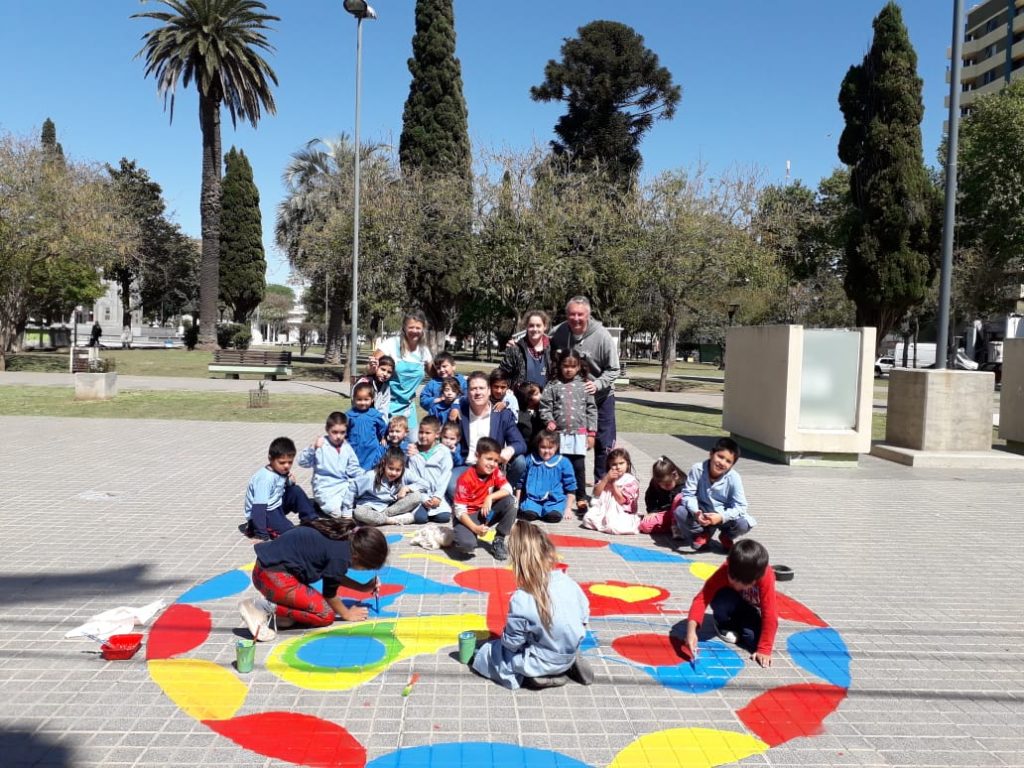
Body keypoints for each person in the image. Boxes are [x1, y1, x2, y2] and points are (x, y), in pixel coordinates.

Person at [471, 521, 593, 689]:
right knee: (551, 636)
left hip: (539, 660)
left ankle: (536, 675)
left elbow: (512, 643)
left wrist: (499, 642)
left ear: (517, 561)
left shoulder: (522, 598)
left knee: (489, 653)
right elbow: (584, 618)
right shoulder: (568, 582)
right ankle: (567, 662)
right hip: (567, 651)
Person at [238, 518, 388, 641]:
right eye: (366, 568)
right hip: (272, 576)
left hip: (266, 572)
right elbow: (330, 594)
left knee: (289, 620)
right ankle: (262, 607)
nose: (364, 571)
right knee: (325, 615)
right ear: (358, 557)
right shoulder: (340, 556)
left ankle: (278, 613)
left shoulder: (345, 539)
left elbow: (334, 575)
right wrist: (347, 614)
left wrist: (362, 587)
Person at [548, 297, 620, 484]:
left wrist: (598, 384)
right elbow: (541, 344)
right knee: (567, 443)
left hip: (601, 398)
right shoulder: (559, 332)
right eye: (572, 314)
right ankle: (568, 486)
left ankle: (602, 487)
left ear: (588, 315)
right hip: (571, 400)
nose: (576, 318)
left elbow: (614, 369)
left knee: (603, 444)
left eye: (580, 314)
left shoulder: (602, 336)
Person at [684, 539, 777, 668]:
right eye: (731, 578)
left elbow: (770, 614)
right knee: (722, 600)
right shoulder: (727, 569)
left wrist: (764, 649)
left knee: (752, 640)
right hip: (730, 600)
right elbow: (702, 598)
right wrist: (691, 631)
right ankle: (723, 623)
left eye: (738, 583)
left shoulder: (766, 577)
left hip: (749, 610)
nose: (733, 582)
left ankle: (738, 625)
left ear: (753, 581)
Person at [446, 371, 527, 499]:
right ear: (468, 392)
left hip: (493, 467)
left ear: (489, 391)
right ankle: (480, 496)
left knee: (520, 461)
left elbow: (521, 444)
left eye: (481, 388)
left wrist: (509, 450)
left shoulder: (503, 415)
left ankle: (501, 495)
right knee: (452, 488)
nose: (478, 392)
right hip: (468, 466)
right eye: (473, 389)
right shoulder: (459, 414)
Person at [540, 348, 597, 516]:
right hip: (559, 435)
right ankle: (559, 495)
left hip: (579, 435)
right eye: (566, 365)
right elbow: (545, 405)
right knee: (560, 465)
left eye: (573, 366)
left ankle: (580, 498)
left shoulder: (585, 386)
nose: (569, 369)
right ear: (560, 365)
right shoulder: (553, 385)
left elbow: (592, 410)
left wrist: (591, 433)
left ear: (579, 367)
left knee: (578, 466)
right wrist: (549, 420)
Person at [676, 437, 754, 552]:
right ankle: (702, 533)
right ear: (711, 454)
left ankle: (726, 536)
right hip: (702, 512)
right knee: (681, 512)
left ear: (732, 465)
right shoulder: (697, 469)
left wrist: (721, 517)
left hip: (724, 515)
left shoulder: (734, 477)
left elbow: (741, 506)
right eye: (720, 457)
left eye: (728, 461)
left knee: (743, 523)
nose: (722, 463)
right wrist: (696, 512)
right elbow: (688, 494)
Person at [451, 437, 516, 560]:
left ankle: (499, 539)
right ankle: (466, 532)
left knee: (512, 502)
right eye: (489, 459)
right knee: (467, 546)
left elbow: (508, 488)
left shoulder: (495, 472)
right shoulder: (465, 478)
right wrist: (475, 528)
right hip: (467, 516)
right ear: (477, 456)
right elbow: (459, 511)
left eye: (496, 460)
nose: (492, 464)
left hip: (484, 512)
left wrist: (490, 497)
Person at [241, 437, 317, 540]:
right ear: (270, 458)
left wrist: (290, 481)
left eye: (290, 462)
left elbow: (281, 487)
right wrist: (261, 535)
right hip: (264, 513)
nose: (286, 466)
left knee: (295, 490)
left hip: (276, 505)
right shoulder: (265, 479)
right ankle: (255, 527)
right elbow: (258, 508)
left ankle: (311, 520)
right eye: (282, 462)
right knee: (290, 533)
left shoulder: (280, 471)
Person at [373, 310, 433, 432]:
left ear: (423, 329)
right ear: (404, 327)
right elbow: (372, 367)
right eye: (411, 327)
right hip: (386, 405)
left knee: (412, 445)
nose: (414, 331)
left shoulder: (424, 351)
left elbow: (435, 374)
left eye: (418, 328)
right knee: (385, 443)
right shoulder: (391, 344)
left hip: (407, 408)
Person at [298, 412, 363, 519]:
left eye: (342, 432)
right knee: (337, 514)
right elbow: (303, 462)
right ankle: (319, 505)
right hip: (325, 487)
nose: (338, 436)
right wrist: (313, 448)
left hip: (343, 485)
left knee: (355, 507)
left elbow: (354, 468)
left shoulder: (346, 446)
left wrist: (367, 477)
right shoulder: (321, 445)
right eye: (335, 432)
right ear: (327, 429)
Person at [350, 447, 424, 526]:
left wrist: (407, 488)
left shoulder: (406, 473)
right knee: (359, 512)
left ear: (402, 469)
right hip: (371, 506)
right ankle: (389, 520)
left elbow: (425, 484)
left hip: (390, 508)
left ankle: (379, 519)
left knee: (417, 496)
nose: (394, 473)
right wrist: (346, 513)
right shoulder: (370, 476)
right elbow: (352, 489)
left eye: (398, 470)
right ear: (384, 464)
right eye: (390, 468)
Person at [517, 430, 577, 523]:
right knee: (528, 515)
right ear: (538, 446)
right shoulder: (530, 459)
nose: (546, 451)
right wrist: (517, 502)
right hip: (532, 499)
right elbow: (520, 483)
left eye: (550, 448)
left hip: (554, 500)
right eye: (543, 447)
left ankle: (550, 511)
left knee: (553, 517)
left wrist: (568, 508)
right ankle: (534, 510)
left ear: (556, 447)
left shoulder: (563, 462)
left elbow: (571, 487)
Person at [581, 448, 641, 535]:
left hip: (622, 512)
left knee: (613, 527)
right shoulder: (606, 477)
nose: (618, 467)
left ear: (627, 464)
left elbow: (622, 500)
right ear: (609, 465)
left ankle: (634, 521)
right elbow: (596, 493)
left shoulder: (630, 481)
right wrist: (605, 480)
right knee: (587, 520)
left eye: (621, 463)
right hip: (604, 510)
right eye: (614, 464)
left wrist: (613, 484)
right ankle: (604, 523)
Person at [406, 416, 454, 524]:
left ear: (437, 434)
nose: (423, 436)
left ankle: (440, 505)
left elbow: (445, 475)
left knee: (444, 517)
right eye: (421, 432)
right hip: (421, 495)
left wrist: (437, 496)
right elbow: (413, 478)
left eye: (427, 433)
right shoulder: (414, 452)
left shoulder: (443, 451)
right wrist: (423, 498)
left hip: (437, 494)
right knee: (420, 519)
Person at [500, 310, 553, 389]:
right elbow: (502, 374)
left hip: (545, 399)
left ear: (545, 327)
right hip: (520, 399)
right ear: (526, 327)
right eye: (531, 325)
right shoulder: (515, 349)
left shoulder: (553, 349)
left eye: (538, 325)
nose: (535, 329)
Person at [638, 456, 685, 536]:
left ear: (675, 476)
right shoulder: (655, 482)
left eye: (667, 484)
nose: (663, 487)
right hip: (663, 512)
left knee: (678, 498)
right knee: (644, 526)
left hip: (679, 515)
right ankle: (669, 527)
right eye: (660, 484)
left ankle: (676, 526)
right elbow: (650, 497)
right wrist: (652, 511)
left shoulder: (684, 484)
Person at [346, 382, 387, 470]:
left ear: (372, 399)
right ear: (354, 399)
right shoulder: (349, 415)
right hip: (354, 448)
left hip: (370, 449)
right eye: (359, 399)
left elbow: (383, 427)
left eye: (366, 399)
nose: (362, 402)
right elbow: (343, 431)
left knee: (369, 472)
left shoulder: (375, 415)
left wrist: (384, 437)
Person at [514, 381, 545, 448]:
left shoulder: (543, 411)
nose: (541, 396)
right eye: (536, 394)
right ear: (527, 398)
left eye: (540, 393)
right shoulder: (520, 415)